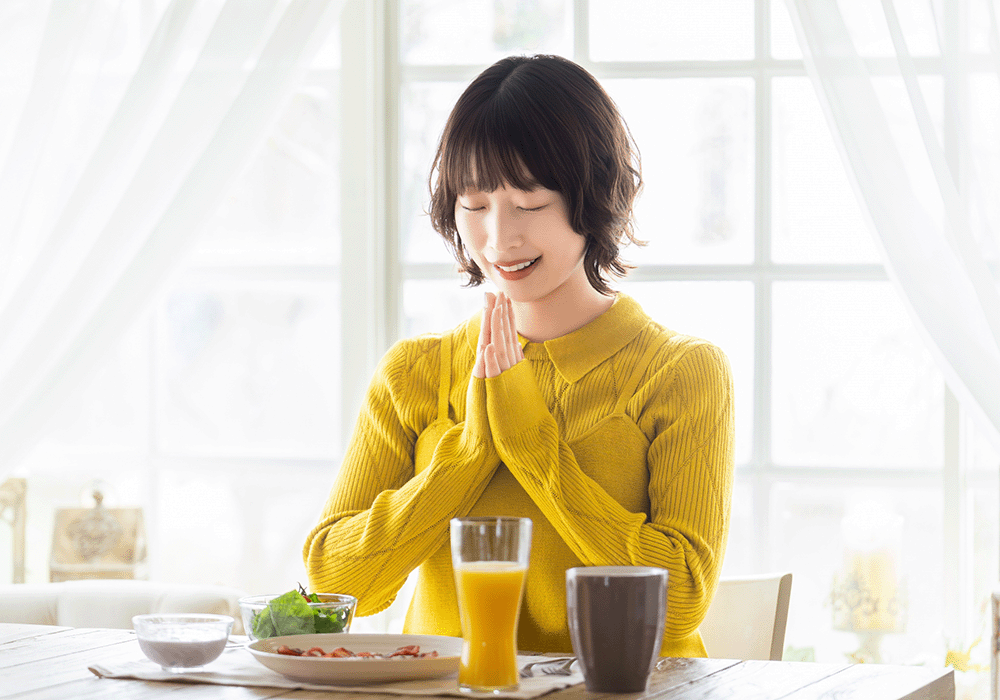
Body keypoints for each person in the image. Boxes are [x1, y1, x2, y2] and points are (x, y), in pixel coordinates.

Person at [303, 54, 734, 657]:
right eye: (474, 205)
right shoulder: (416, 373)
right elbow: (336, 584)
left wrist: (532, 446)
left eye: (528, 203)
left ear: (592, 195)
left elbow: (682, 600)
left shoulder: (681, 372)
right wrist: (472, 452)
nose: (498, 239)